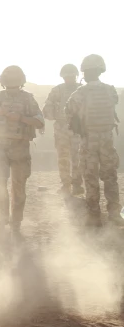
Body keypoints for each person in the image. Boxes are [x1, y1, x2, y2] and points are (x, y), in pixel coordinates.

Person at [0, 66, 44, 235]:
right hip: (1, 147)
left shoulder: (28, 99)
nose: (12, 84)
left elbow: (39, 122)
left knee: (18, 186)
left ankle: (15, 221)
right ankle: (2, 219)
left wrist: (21, 118)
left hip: (20, 148)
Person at [65, 54, 121, 225]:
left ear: (85, 72)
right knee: (110, 176)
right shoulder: (110, 90)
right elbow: (114, 103)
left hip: (89, 140)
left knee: (90, 177)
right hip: (107, 140)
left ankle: (94, 214)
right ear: (100, 70)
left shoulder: (79, 93)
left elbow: (68, 112)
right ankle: (114, 213)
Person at [42, 64, 83, 196]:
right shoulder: (78, 90)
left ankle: (75, 185)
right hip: (67, 128)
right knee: (65, 157)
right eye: (68, 76)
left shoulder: (79, 90)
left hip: (75, 128)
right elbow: (47, 111)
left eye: (70, 76)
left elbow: (47, 111)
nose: (69, 78)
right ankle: (67, 185)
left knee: (77, 157)